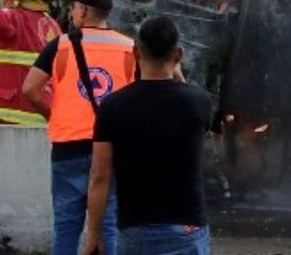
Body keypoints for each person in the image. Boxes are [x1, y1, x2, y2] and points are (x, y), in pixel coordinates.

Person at [83, 14, 213, 255]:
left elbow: (100, 176)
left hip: (136, 229)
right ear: (178, 55)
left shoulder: (112, 107)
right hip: (188, 225)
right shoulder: (200, 102)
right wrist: (178, 73)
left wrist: (94, 232)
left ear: (135, 53)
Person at [22, 0, 135, 255]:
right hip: (113, 150)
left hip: (68, 148)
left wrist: (54, 114)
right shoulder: (129, 48)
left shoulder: (60, 46)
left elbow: (30, 89)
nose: (72, 13)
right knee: (108, 223)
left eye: (74, 8)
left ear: (83, 11)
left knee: (66, 227)